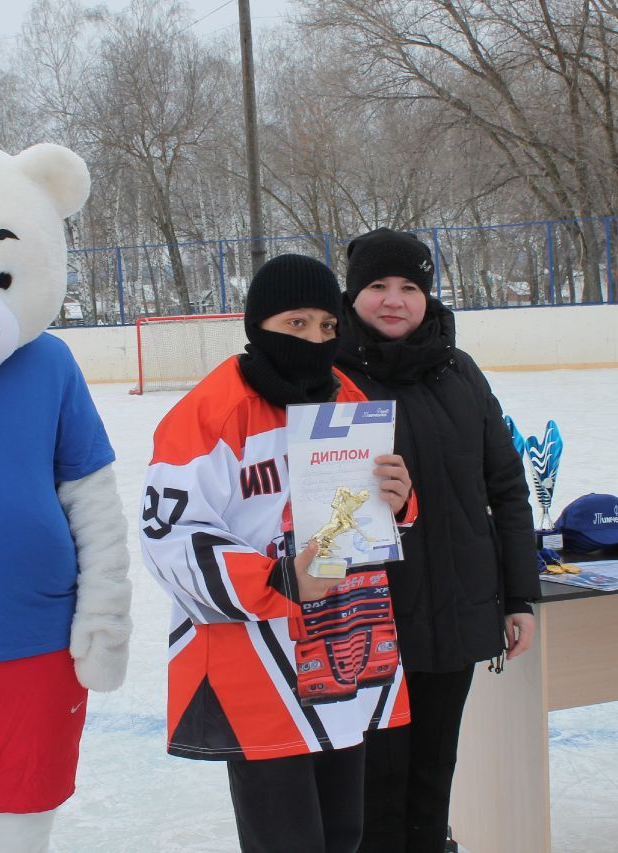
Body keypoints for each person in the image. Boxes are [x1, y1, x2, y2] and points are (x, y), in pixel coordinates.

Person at [139, 253, 415, 853]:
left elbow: (367, 513)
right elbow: (169, 540)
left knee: (344, 835)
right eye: (297, 323)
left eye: (327, 325)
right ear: (258, 324)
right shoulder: (211, 411)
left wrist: (398, 501)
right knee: (287, 841)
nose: (315, 339)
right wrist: (278, 580)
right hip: (255, 667)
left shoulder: (345, 396)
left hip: (343, 649)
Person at [333, 228, 541, 852]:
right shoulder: (329, 375)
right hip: (368, 622)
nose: (394, 299)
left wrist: (519, 596)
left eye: (409, 286)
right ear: (353, 294)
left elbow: (506, 489)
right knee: (373, 784)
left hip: (456, 611)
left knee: (433, 772)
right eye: (377, 285)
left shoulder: (460, 371)